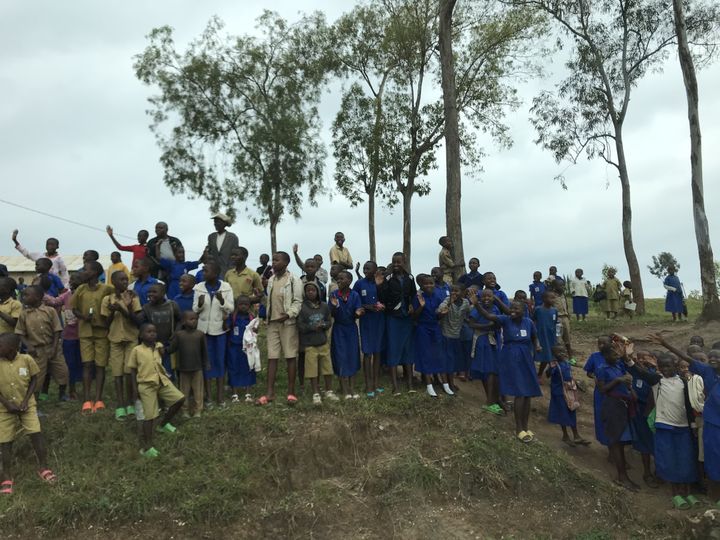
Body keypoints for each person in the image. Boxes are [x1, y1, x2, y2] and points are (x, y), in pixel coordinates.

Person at [648, 334, 720, 506]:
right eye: (711, 356)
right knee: (714, 460)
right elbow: (686, 358)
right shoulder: (707, 372)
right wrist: (665, 343)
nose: (713, 359)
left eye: (717, 357)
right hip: (712, 425)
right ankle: (716, 498)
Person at [623, 344, 699, 507]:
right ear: (658, 367)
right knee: (669, 459)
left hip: (683, 427)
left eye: (668, 366)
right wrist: (628, 358)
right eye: (662, 366)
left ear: (676, 366)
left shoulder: (684, 382)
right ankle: (676, 494)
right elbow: (638, 372)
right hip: (664, 427)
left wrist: (692, 424)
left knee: (686, 459)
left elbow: (688, 403)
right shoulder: (657, 381)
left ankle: (688, 492)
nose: (665, 369)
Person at [470, 295, 542, 443]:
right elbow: (489, 315)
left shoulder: (528, 322)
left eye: (517, 308)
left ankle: (526, 427)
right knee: (520, 393)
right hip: (511, 357)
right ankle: (518, 428)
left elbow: (534, 337)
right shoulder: (505, 320)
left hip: (526, 358)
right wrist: (477, 304)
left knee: (528, 394)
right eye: (512, 308)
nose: (513, 311)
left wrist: (537, 347)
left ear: (524, 311)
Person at [0, 333, 58, 495]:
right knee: (5, 441)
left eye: (0, 346)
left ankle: (44, 467)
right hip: (5, 409)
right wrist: (6, 403)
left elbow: (34, 379)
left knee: (35, 433)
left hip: (27, 406)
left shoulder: (26, 360)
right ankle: (6, 476)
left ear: (11, 348)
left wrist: (26, 400)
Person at [127, 323, 185, 458]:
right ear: (141, 335)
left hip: (161, 381)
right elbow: (132, 370)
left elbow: (165, 349)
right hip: (146, 385)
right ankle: (147, 447)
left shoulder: (158, 346)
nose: (152, 334)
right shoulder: (136, 350)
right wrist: (135, 390)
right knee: (150, 416)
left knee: (180, 399)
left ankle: (163, 424)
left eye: (154, 332)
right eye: (148, 332)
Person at [257, 252, 303, 406]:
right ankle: (270, 393)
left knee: (290, 356)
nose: (274, 262)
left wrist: (288, 315)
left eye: (277, 260)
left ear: (286, 263)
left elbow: (298, 302)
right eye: (273, 260)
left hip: (287, 324)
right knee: (272, 357)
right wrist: (261, 295)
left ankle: (291, 392)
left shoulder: (293, 280)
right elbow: (268, 302)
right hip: (272, 324)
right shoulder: (271, 280)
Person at [595, 336, 636, 490]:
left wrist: (629, 387)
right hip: (612, 406)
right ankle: (621, 476)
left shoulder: (618, 365)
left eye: (617, 354)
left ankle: (624, 474)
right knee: (616, 441)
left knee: (622, 439)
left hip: (622, 405)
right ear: (606, 356)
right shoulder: (602, 369)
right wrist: (618, 381)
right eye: (613, 354)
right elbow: (602, 389)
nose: (617, 356)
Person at [14, 285, 69, 402]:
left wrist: (54, 348)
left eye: (27, 295)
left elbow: (57, 330)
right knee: (37, 375)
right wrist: (28, 345)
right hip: (36, 350)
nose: (23, 297)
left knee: (62, 370)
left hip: (52, 347)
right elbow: (20, 332)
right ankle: (35, 399)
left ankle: (62, 394)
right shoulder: (24, 314)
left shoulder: (50, 311)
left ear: (38, 297)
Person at [71, 261, 113, 413]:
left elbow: (116, 298)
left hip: (102, 333)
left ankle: (99, 398)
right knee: (87, 364)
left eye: (85, 269)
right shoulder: (81, 289)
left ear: (94, 273)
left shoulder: (107, 289)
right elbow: (74, 308)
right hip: (85, 333)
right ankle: (87, 399)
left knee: (100, 365)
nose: (82, 272)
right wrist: (83, 317)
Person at [100, 271, 142, 421]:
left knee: (130, 372)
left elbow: (136, 321)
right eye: (121, 279)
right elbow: (106, 323)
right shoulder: (107, 299)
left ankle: (131, 402)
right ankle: (120, 404)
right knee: (117, 373)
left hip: (131, 338)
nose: (125, 282)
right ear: (113, 281)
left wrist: (125, 308)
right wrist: (112, 312)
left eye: (126, 279)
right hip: (115, 339)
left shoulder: (133, 296)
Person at [193, 261, 233, 407]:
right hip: (204, 331)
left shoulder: (226, 287)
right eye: (203, 271)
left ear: (215, 273)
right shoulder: (199, 287)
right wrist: (200, 304)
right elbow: (194, 309)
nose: (204, 273)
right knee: (207, 363)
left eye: (206, 271)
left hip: (220, 330)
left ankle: (220, 397)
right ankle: (209, 397)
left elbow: (230, 308)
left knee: (220, 361)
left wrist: (222, 301)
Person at [377, 252, 417, 395]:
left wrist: (412, 305)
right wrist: (379, 286)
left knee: (407, 349)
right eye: (394, 262)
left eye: (398, 262)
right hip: (393, 317)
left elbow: (413, 295)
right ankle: (395, 387)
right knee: (393, 349)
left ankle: (410, 384)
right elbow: (382, 297)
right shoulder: (387, 278)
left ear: (404, 262)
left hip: (406, 318)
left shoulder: (410, 278)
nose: (395, 265)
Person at [413, 275, 453, 397]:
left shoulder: (437, 297)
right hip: (422, 328)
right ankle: (429, 385)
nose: (429, 286)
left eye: (431, 283)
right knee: (426, 355)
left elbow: (437, 316)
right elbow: (414, 317)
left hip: (435, 328)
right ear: (422, 285)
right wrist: (421, 306)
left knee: (439, 354)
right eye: (426, 284)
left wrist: (442, 314)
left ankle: (445, 384)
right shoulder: (418, 297)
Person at [297, 282, 336, 405]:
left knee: (327, 368)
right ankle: (315, 392)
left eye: (313, 290)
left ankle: (329, 391)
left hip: (323, 342)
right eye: (308, 290)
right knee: (312, 370)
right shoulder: (302, 308)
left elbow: (329, 321)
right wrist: (312, 327)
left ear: (318, 292)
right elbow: (300, 325)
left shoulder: (324, 306)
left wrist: (323, 325)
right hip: (309, 344)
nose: (310, 292)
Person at [546, 345, 590, 447]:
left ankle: (576, 435)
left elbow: (568, 376)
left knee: (572, 411)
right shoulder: (555, 364)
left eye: (563, 351)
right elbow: (548, 375)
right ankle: (565, 435)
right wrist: (550, 367)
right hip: (559, 393)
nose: (562, 354)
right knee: (563, 413)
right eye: (559, 352)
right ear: (554, 355)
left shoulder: (566, 363)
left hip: (569, 391)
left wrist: (576, 383)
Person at [329, 271, 364, 399]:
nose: (339, 281)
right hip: (339, 329)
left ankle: (352, 388)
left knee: (352, 356)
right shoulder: (334, 295)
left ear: (349, 281)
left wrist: (358, 313)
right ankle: (344, 390)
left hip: (351, 328)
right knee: (340, 356)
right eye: (337, 279)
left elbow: (357, 311)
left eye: (341, 279)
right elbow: (331, 313)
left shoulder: (354, 295)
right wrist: (333, 307)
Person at [168, 311, 209, 418]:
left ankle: (198, 410)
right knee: (184, 391)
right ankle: (184, 410)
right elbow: (172, 348)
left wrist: (206, 363)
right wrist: (164, 350)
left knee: (198, 391)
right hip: (183, 368)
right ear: (183, 322)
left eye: (196, 319)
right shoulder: (179, 335)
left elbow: (204, 351)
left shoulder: (200, 334)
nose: (194, 321)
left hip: (197, 368)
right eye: (191, 319)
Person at [353, 261, 385, 397]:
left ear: (375, 270)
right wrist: (367, 307)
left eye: (368, 268)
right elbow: (355, 301)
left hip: (379, 320)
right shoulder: (359, 284)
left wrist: (379, 288)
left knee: (377, 352)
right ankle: (368, 384)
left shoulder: (380, 283)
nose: (366, 270)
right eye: (364, 268)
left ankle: (376, 383)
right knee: (367, 353)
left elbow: (385, 299)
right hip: (366, 321)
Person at [142, 283, 181, 382]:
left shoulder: (172, 305)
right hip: (152, 345)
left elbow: (180, 320)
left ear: (163, 293)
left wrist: (176, 333)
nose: (150, 294)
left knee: (168, 372)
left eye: (154, 292)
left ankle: (169, 393)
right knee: (153, 372)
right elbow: (140, 323)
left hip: (168, 345)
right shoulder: (146, 307)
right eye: (149, 292)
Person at [227, 295, 257, 403]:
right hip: (234, 347)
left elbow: (255, 332)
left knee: (248, 367)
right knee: (233, 367)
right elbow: (226, 328)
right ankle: (234, 393)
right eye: (241, 304)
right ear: (236, 305)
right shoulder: (232, 317)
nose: (243, 306)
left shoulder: (252, 318)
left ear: (249, 306)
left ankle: (248, 392)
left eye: (246, 304)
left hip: (248, 348)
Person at [61, 274, 83, 400]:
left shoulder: (84, 295)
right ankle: (72, 389)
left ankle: (85, 388)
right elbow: (56, 301)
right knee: (70, 363)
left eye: (74, 280)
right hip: (69, 336)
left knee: (84, 363)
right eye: (70, 280)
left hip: (83, 335)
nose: (71, 282)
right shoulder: (66, 295)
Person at [534, 290, 558, 378]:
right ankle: (539, 374)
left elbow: (555, 323)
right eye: (551, 298)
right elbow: (534, 321)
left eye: (554, 298)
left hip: (551, 337)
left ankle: (549, 372)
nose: (553, 300)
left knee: (552, 355)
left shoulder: (554, 310)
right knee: (544, 356)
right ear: (544, 299)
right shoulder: (538, 309)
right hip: (541, 336)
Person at [550, 280, 573, 361]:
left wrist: (568, 315)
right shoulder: (552, 296)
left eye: (563, 285)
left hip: (565, 317)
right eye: (560, 286)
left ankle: (571, 357)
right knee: (558, 339)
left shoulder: (563, 295)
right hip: (557, 320)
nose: (563, 287)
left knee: (568, 338)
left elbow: (566, 305)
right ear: (554, 287)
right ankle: (558, 358)